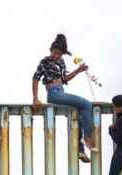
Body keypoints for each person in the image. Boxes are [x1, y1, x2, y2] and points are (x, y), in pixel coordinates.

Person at [32, 34, 98, 163]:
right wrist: (35, 98)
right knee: (86, 104)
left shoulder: (61, 62)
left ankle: (80, 150)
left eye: (59, 54)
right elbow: (35, 78)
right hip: (53, 94)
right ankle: (88, 137)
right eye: (55, 53)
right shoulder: (45, 61)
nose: (56, 56)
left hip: (61, 91)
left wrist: (77, 71)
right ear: (50, 51)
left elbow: (64, 79)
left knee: (79, 115)